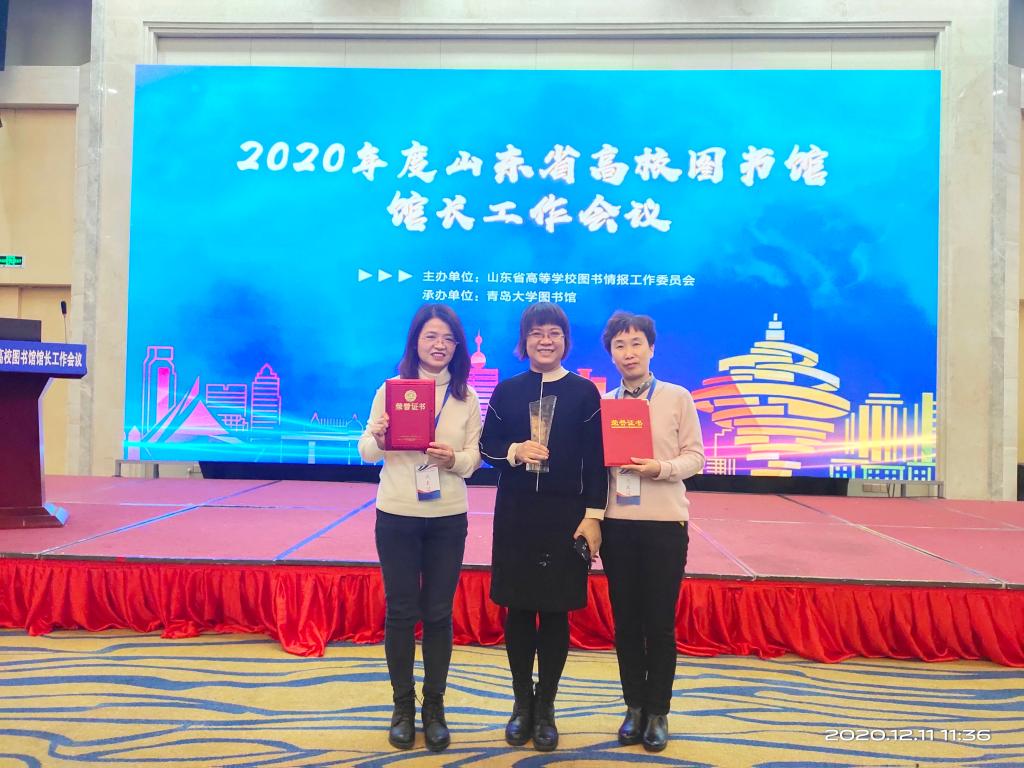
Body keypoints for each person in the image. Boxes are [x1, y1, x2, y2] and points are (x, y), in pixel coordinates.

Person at [480, 302, 606, 752]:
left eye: (554, 333)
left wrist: (594, 516)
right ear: (524, 341)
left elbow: (597, 461)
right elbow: (487, 447)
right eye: (536, 333)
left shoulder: (584, 393)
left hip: (565, 518)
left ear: (565, 341)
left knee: (555, 613)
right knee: (517, 611)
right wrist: (514, 450)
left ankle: (547, 706)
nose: (545, 340)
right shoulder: (506, 391)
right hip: (516, 515)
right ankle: (521, 704)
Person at [358, 304, 482, 752]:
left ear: (458, 346)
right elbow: (366, 450)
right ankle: (402, 708)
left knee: (438, 614)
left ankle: (434, 707)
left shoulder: (467, 397)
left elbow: (474, 459)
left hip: (447, 516)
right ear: (415, 342)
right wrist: (379, 437)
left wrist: (454, 459)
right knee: (400, 612)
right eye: (431, 336)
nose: (439, 345)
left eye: (448, 338)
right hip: (397, 514)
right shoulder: (391, 390)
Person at [594, 311, 705, 752]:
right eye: (619, 345)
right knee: (625, 624)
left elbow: (695, 457)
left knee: (658, 624)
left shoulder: (677, 397)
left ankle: (658, 711)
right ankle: (634, 707)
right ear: (611, 354)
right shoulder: (605, 403)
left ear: (651, 348)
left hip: (664, 525)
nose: (629, 352)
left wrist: (661, 468)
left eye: (636, 343)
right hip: (618, 527)